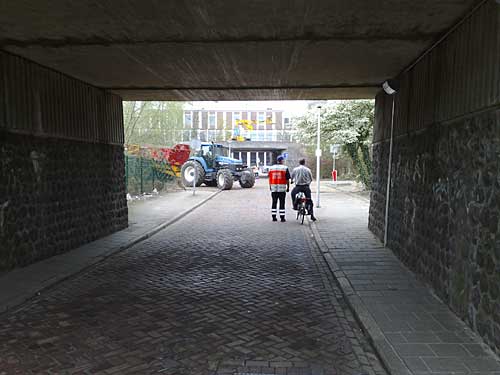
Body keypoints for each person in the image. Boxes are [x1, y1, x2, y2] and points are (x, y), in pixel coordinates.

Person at [268, 155, 291, 222]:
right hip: (282, 189)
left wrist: (270, 187)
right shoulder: (285, 168)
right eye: (283, 160)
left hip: (273, 188)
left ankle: (274, 217)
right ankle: (282, 218)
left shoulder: (271, 168)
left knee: (274, 202)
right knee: (282, 203)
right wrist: (288, 187)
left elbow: (270, 178)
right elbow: (287, 179)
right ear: (281, 161)